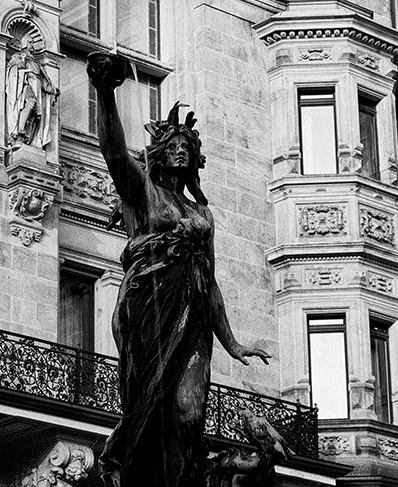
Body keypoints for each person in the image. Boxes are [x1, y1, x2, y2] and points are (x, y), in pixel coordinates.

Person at [86, 51, 271, 487]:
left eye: (189, 147)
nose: (182, 150)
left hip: (194, 317)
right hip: (148, 304)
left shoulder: (202, 215)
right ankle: (127, 465)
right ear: (160, 151)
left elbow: (211, 282)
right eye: (175, 145)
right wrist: (104, 94)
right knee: (147, 401)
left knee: (190, 412)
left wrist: (233, 343)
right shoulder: (141, 191)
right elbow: (113, 152)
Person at [6, 42, 58, 148]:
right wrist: (23, 62)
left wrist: (52, 90)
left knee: (35, 115)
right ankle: (19, 130)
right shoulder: (18, 56)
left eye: (33, 43)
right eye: (30, 42)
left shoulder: (37, 64)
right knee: (30, 102)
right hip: (25, 85)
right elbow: (14, 67)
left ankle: (29, 137)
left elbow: (44, 83)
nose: (33, 45)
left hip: (37, 88)